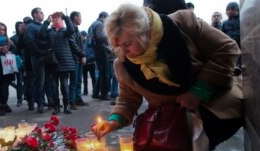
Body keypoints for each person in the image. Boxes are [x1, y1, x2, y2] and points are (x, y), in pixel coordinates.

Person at [91, 3, 243, 150]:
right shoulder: (123, 63)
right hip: (169, 119)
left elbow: (226, 48)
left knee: (203, 137)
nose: (123, 52)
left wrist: (200, 90)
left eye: (127, 44)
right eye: (118, 46)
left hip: (212, 102)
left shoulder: (183, 24)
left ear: (144, 31)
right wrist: (113, 121)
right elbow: (127, 99)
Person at [38, 11, 74, 115]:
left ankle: (66, 106)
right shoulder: (49, 31)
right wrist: (46, 22)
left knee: (64, 85)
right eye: (54, 18)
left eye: (58, 18)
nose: (55, 20)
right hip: (53, 62)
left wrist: (66, 17)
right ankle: (56, 107)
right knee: (54, 86)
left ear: (61, 20)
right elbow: (40, 35)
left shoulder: (65, 31)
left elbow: (72, 30)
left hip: (64, 61)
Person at [0, 22, 16, 116]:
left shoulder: (9, 41)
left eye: (3, 30)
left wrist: (8, 51)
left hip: (7, 66)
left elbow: (16, 50)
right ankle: (4, 104)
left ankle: (2, 106)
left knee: (5, 86)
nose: (1, 31)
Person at [89, 11, 111, 100]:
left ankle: (95, 93)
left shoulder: (93, 24)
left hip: (96, 50)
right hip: (101, 50)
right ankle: (104, 94)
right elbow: (100, 37)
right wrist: (109, 37)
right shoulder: (99, 24)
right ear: (103, 17)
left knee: (102, 73)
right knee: (105, 73)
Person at [68, 11, 87, 109]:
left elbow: (79, 44)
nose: (81, 19)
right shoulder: (71, 29)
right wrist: (82, 55)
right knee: (74, 81)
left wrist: (82, 56)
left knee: (78, 81)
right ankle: (71, 102)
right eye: (80, 17)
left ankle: (78, 99)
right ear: (75, 17)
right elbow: (73, 45)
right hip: (74, 58)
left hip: (78, 58)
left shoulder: (77, 29)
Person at [222, 2, 241, 69]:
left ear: (235, 9)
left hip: (243, 47)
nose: (226, 12)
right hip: (230, 48)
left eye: (228, 10)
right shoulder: (224, 23)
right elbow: (222, 36)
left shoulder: (243, 19)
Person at [10, 21, 25, 107]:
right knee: (19, 81)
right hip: (18, 62)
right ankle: (19, 99)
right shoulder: (13, 38)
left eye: (22, 26)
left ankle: (28, 96)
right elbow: (12, 50)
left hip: (27, 61)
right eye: (19, 26)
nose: (21, 27)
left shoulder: (27, 36)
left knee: (28, 81)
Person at [81, 31, 96, 96]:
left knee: (93, 78)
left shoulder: (90, 43)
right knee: (85, 79)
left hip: (91, 63)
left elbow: (93, 53)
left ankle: (95, 91)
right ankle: (85, 91)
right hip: (84, 64)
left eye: (83, 36)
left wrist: (88, 59)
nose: (83, 37)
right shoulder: (81, 43)